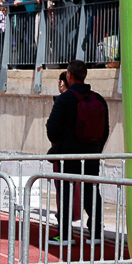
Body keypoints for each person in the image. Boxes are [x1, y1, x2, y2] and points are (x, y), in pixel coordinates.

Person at [45, 60, 109, 246]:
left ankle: (65, 235)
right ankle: (96, 233)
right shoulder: (99, 99)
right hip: (91, 154)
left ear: (69, 75)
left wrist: (60, 143)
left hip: (68, 154)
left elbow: (52, 128)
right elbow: (105, 129)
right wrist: (96, 148)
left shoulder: (64, 99)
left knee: (65, 193)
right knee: (92, 192)